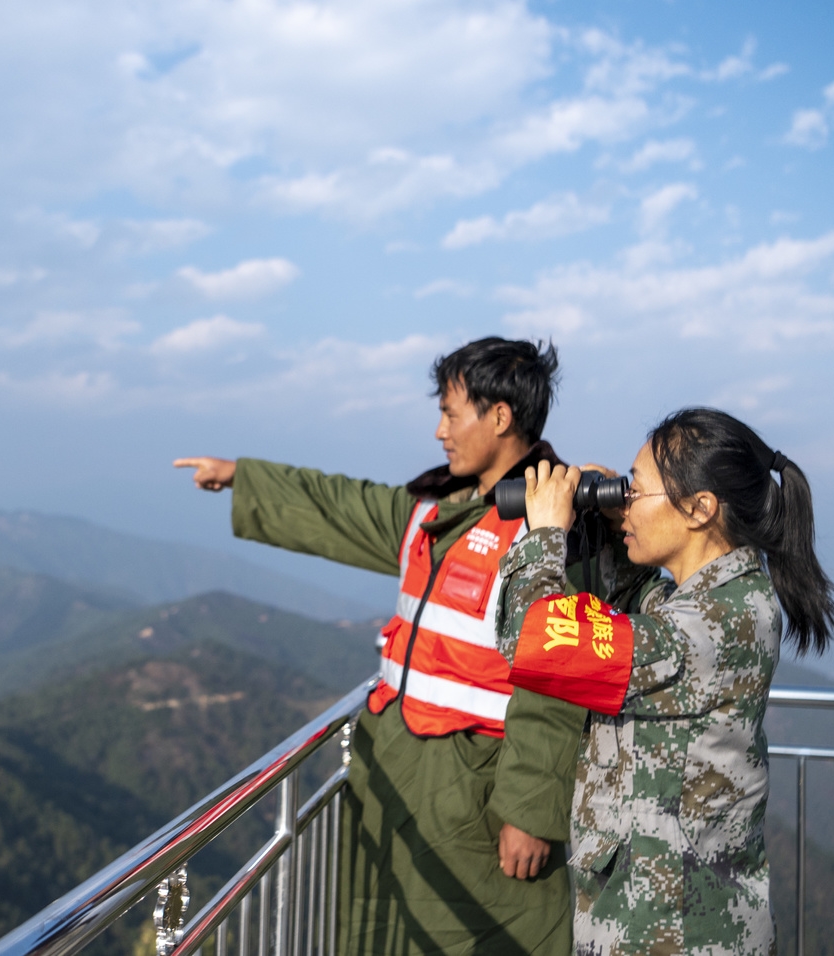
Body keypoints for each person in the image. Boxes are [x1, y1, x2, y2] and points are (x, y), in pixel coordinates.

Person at [176, 338, 639, 956]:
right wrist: (243, 479)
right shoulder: (437, 514)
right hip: (405, 778)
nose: (440, 431)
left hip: (479, 797)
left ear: (499, 418)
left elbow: (561, 676)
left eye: (451, 413)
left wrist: (531, 809)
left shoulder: (552, 529)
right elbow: (343, 506)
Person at [494, 407, 834, 956]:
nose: (625, 501)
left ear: (700, 509)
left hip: (673, 933)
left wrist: (543, 534)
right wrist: (609, 531)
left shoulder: (713, 623)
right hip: (658, 923)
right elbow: (633, 617)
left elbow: (537, 642)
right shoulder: (717, 599)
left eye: (637, 491)